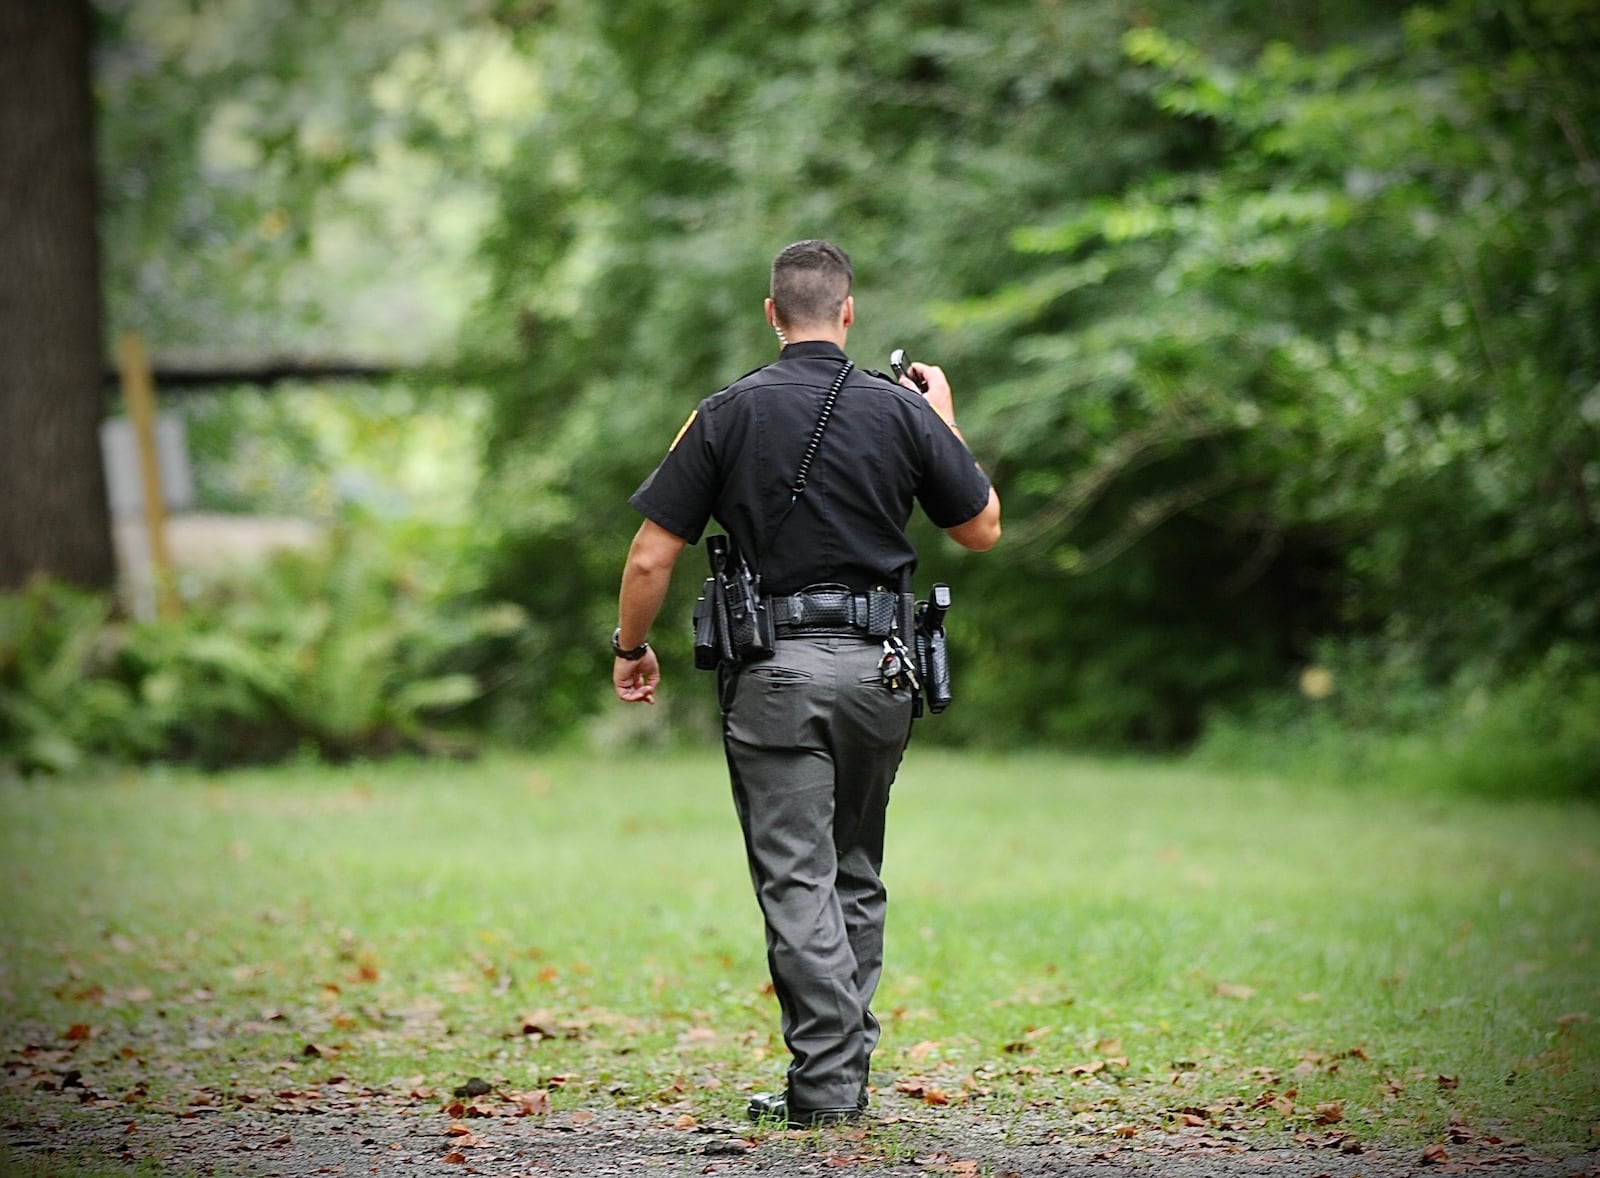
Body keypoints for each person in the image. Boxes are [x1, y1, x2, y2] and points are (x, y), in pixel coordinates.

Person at [609, 239, 1001, 1128]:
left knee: (797, 878)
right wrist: (942, 419)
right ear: (850, 312)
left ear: (772, 313)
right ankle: (841, 1081)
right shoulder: (901, 415)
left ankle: (824, 1092)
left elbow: (649, 553)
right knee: (853, 868)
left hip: (776, 676)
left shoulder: (722, 413)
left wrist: (631, 647)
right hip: (882, 671)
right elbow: (982, 528)